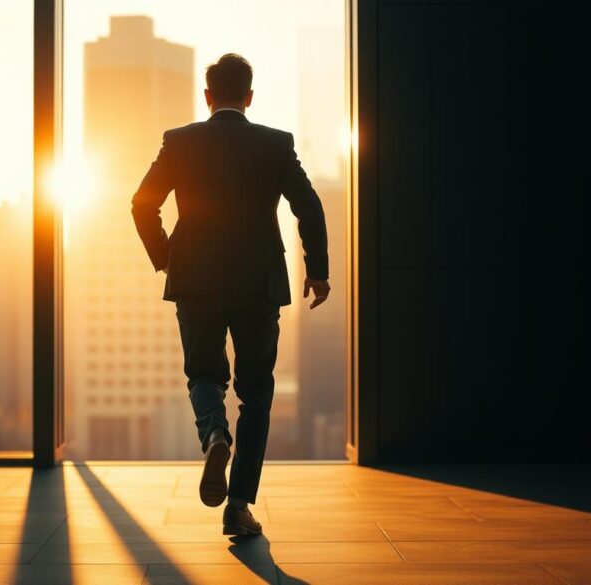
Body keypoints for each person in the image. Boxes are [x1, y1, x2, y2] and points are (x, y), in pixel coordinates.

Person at [131, 53, 330, 537]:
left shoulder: (179, 142)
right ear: (249, 97)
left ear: (207, 96)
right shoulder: (276, 144)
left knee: (203, 373)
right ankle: (238, 507)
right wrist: (317, 271)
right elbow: (309, 206)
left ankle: (214, 434)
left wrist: (166, 257)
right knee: (256, 392)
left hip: (195, 279)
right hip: (258, 284)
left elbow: (141, 203)